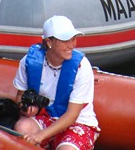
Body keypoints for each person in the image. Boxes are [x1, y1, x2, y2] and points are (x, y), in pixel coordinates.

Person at [13, 15, 100, 149]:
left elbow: (72, 115)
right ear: (49, 42)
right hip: (46, 117)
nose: (72, 45)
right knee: (22, 127)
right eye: (65, 40)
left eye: (73, 38)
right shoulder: (28, 62)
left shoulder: (81, 66)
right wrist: (25, 108)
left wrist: (40, 136)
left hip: (77, 122)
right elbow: (20, 95)